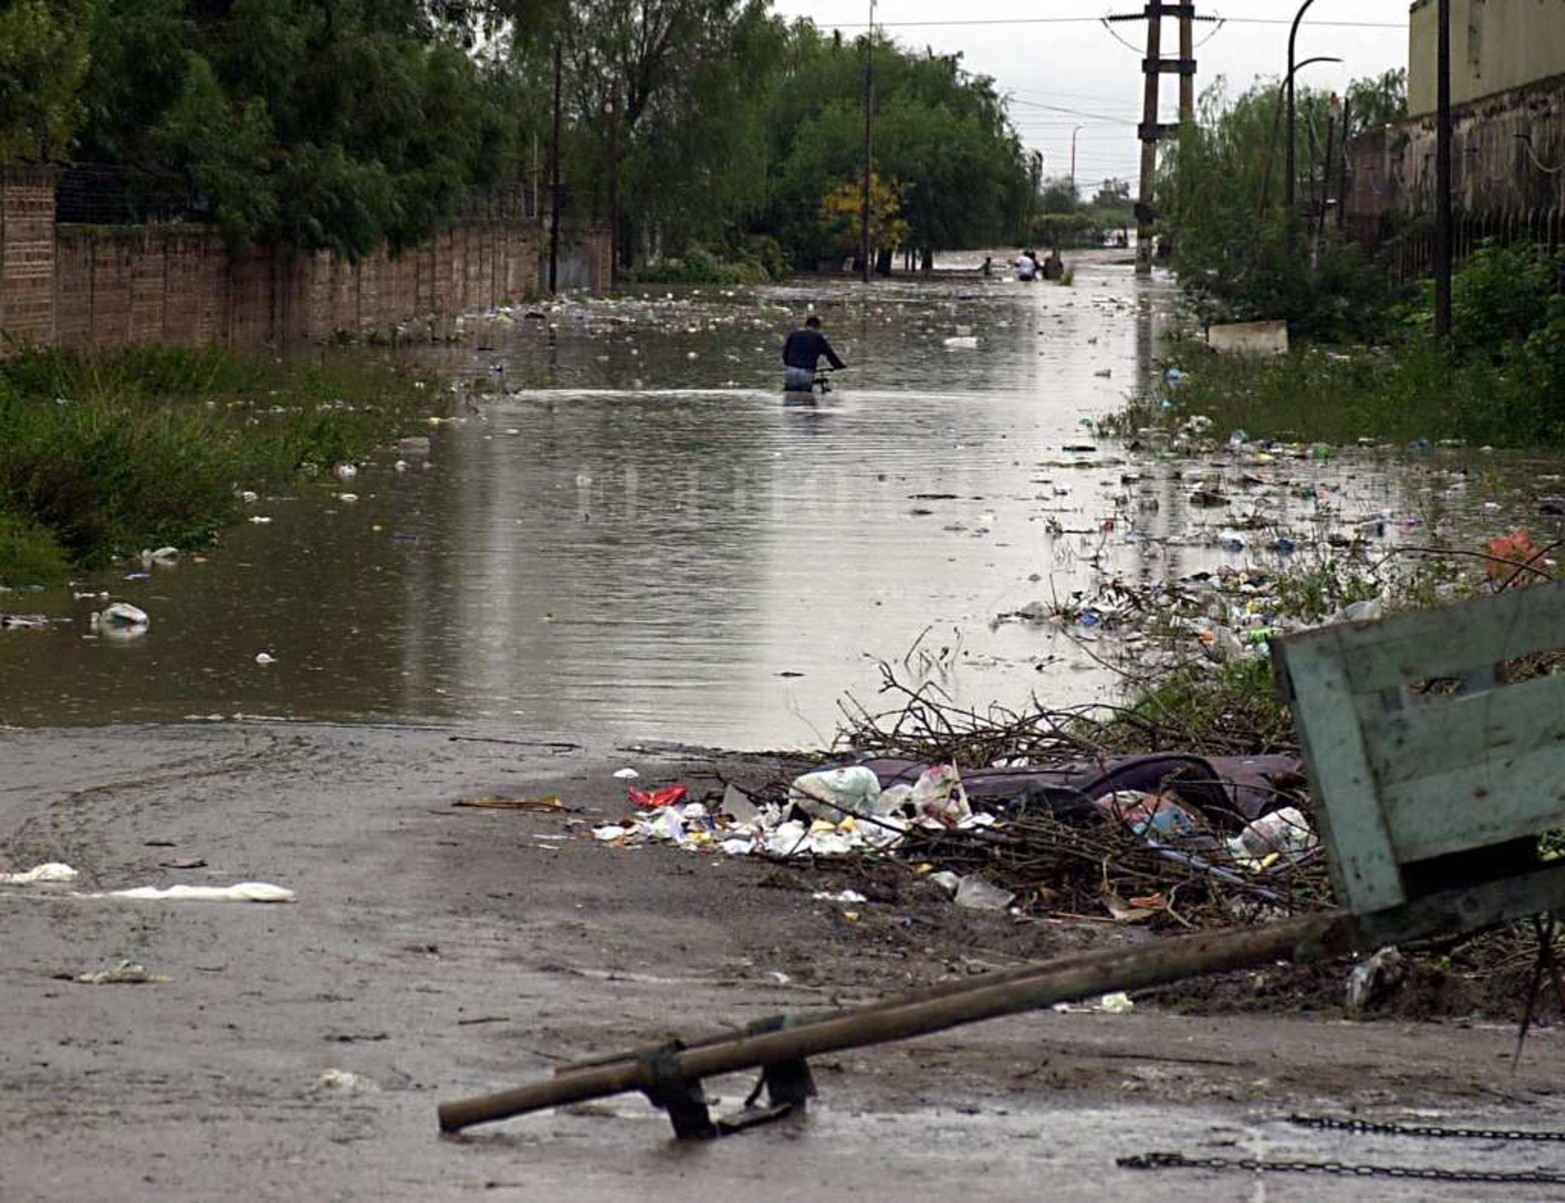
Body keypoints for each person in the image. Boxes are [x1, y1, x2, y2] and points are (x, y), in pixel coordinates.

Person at [782, 314, 845, 392]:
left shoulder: (794, 335)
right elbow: (829, 354)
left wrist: (789, 364)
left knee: (790, 396)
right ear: (817, 326)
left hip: (791, 371)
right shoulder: (817, 337)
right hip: (806, 372)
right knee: (806, 399)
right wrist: (839, 366)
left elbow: (785, 354)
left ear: (806, 324)